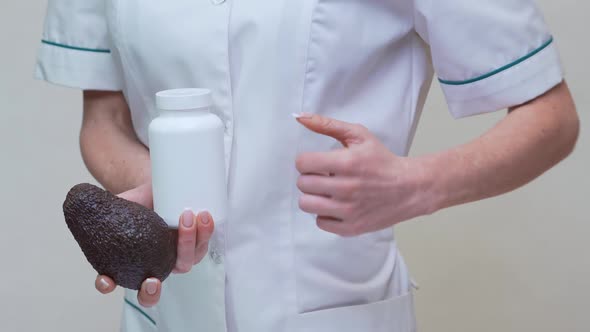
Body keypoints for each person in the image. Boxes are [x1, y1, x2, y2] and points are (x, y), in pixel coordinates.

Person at [36, 0, 579, 331]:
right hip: (166, 314)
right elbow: (103, 117)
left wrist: (417, 187)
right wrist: (158, 185)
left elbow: (550, 116)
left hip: (334, 308)